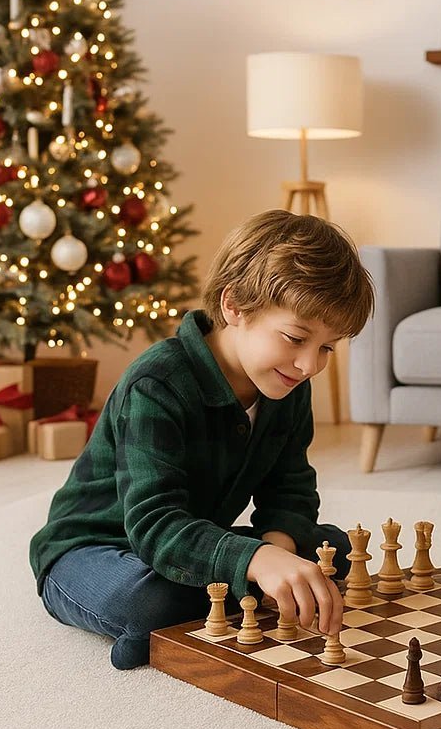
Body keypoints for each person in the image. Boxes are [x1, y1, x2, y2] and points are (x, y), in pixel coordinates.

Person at [29, 210, 374, 669]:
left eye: (327, 347)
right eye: (295, 338)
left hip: (185, 535)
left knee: (337, 550)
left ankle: (232, 590)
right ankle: (177, 616)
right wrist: (258, 562)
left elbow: (289, 488)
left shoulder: (289, 384)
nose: (310, 365)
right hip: (93, 548)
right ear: (235, 306)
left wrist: (277, 550)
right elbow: (154, 524)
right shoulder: (156, 383)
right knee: (151, 603)